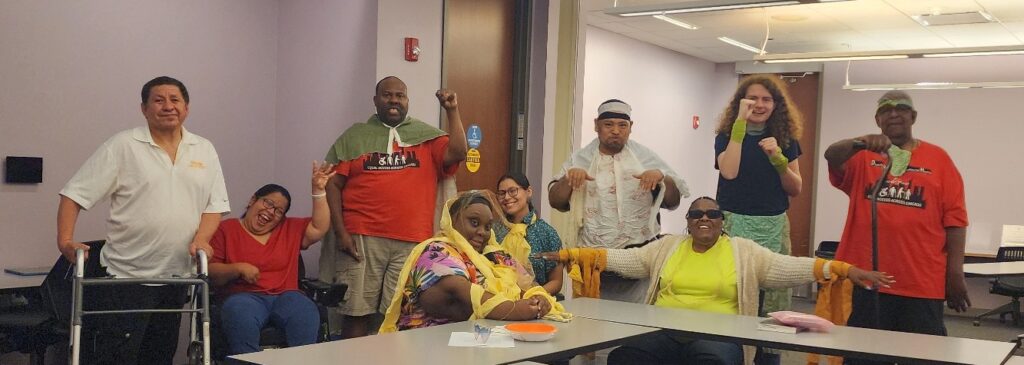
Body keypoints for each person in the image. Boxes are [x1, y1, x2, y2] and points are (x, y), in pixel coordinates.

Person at [539, 197, 893, 365]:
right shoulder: (667, 247)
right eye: (696, 214)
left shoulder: (744, 252)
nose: (704, 218)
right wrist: (574, 254)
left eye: (712, 214)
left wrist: (842, 269)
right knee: (624, 359)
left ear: (723, 221)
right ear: (689, 221)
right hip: (662, 333)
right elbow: (625, 260)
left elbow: (791, 267)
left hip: (719, 336)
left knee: (714, 363)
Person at [56, 76, 230, 365]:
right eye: (158, 100)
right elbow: (73, 194)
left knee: (160, 355)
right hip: (128, 277)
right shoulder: (123, 145)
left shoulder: (204, 149)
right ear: (144, 109)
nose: (168, 106)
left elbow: (215, 206)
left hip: (176, 276)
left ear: (186, 108)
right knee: (119, 357)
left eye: (175, 100)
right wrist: (64, 241)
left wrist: (202, 239)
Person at [824, 91, 969, 360]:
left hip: (922, 282)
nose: (894, 113)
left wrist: (955, 273)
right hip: (867, 281)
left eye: (901, 108)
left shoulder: (939, 160)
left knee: (924, 357)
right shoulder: (862, 156)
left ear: (913, 116)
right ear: (878, 119)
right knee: (863, 355)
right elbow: (831, 155)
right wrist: (860, 142)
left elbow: (956, 221)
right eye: (886, 109)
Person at [320, 76, 468, 338]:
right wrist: (341, 233)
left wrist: (452, 110)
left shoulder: (426, 137)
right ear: (375, 100)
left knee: (397, 316)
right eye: (388, 95)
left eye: (400, 95)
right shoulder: (354, 136)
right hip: (361, 239)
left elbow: (458, 152)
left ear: (407, 101)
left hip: (412, 242)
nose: (394, 100)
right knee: (356, 312)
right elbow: (332, 185)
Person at [548, 99, 689, 303]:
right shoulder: (580, 160)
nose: (616, 131)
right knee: (595, 320)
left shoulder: (646, 158)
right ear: (596, 126)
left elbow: (673, 202)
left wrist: (662, 178)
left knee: (639, 321)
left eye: (622, 125)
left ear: (631, 128)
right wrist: (569, 179)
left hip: (639, 258)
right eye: (609, 125)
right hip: (594, 260)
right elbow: (555, 201)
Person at [379, 191, 569, 332]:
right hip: (430, 346)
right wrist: (514, 309)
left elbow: (529, 284)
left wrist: (540, 298)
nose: (483, 233)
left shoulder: (494, 254)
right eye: (474, 222)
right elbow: (460, 291)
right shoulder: (435, 252)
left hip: (484, 340)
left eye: (488, 227)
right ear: (452, 221)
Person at [714, 75, 804, 364]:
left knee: (771, 302)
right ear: (741, 102)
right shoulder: (726, 136)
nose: (759, 104)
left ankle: (767, 358)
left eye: (767, 99)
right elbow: (728, 171)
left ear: (776, 104)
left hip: (772, 225)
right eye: (752, 98)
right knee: (733, 295)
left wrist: (777, 156)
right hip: (732, 224)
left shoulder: (787, 140)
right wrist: (740, 126)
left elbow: (795, 187)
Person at [208, 162, 335, 355]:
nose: (271, 212)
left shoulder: (289, 228)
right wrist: (237, 268)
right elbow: (211, 272)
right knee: (239, 313)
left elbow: (320, 227)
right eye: (268, 203)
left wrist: (318, 190)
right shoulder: (226, 230)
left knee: (306, 311)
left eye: (279, 210)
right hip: (243, 297)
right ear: (253, 200)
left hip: (286, 295)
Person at [493, 172, 564, 296]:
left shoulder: (546, 233)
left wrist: (531, 296)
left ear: (529, 191)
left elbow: (556, 281)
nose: (507, 197)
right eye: (502, 193)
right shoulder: (493, 230)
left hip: (536, 303)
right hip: (499, 301)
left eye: (513, 191)